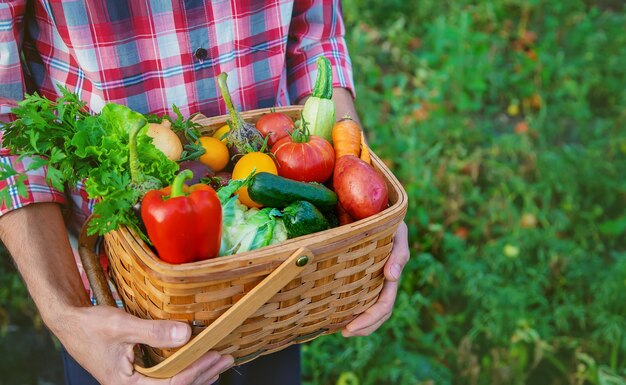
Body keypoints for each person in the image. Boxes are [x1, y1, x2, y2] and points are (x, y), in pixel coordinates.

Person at [0, 1, 411, 384]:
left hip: (281, 284)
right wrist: (66, 315)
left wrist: (367, 209)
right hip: (119, 313)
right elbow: (6, 123)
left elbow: (316, 38)